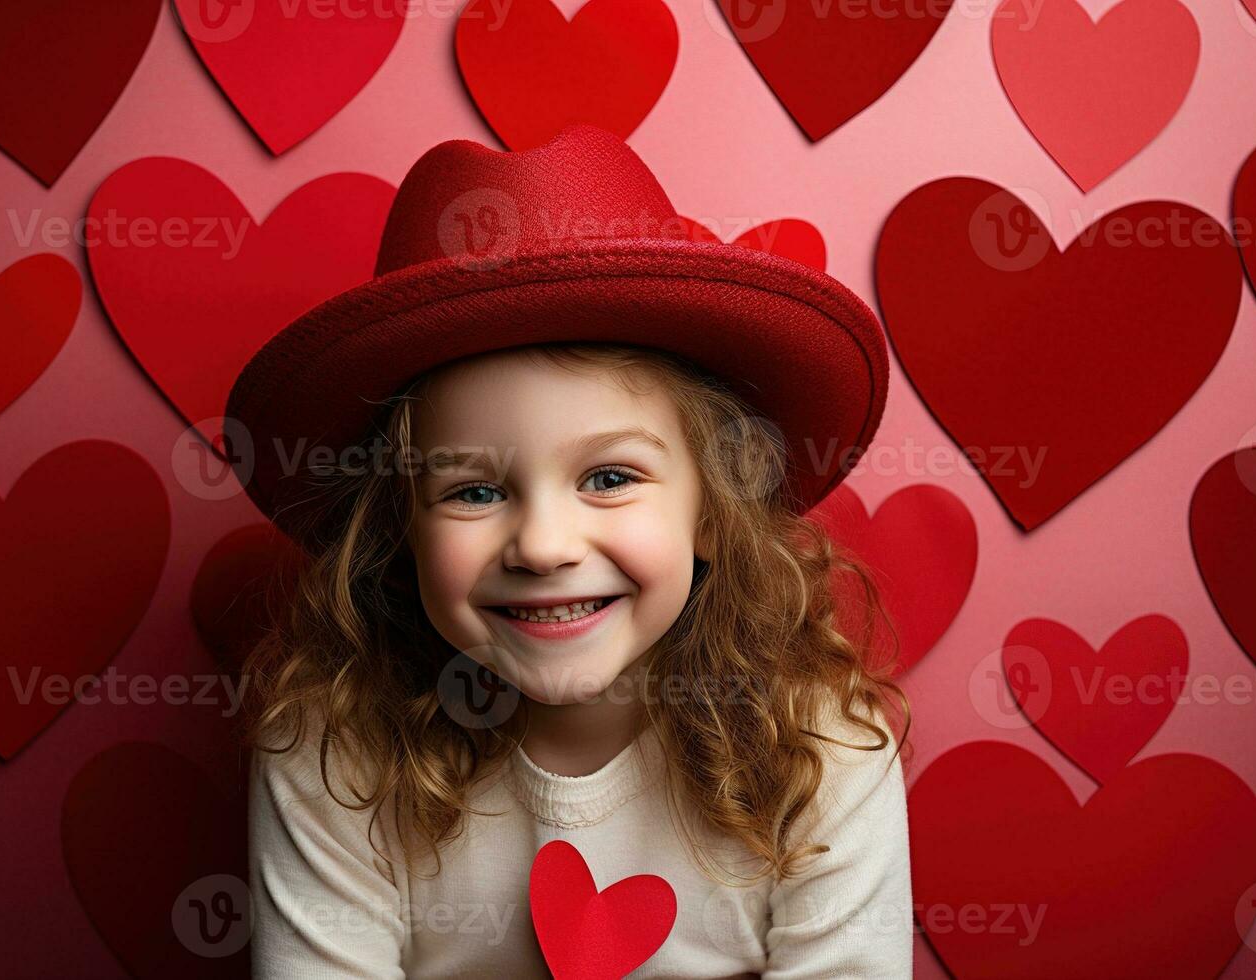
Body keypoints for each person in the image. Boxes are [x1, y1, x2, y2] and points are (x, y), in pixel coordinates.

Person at [223, 124, 913, 978]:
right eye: (474, 491)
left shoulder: (822, 751)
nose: (545, 547)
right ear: (398, 526)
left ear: (712, 512)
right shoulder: (334, 751)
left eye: (611, 477)